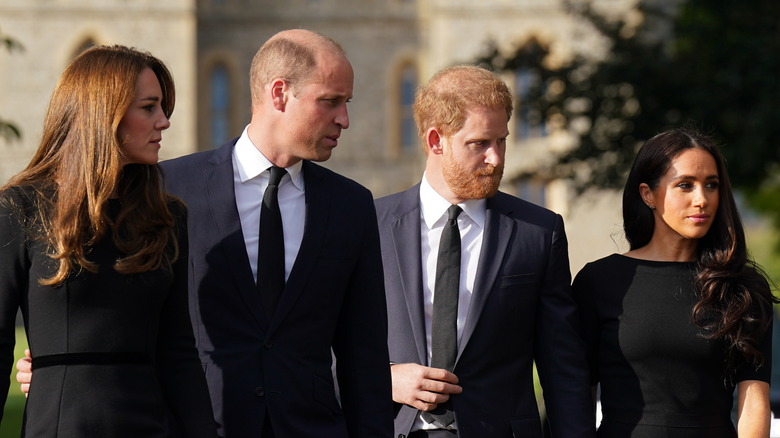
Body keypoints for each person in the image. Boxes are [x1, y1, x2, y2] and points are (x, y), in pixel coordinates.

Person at [14, 30, 394, 438]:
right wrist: (63, 359)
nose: (344, 119)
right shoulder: (165, 189)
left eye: (346, 103)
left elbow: (364, 356)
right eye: (330, 101)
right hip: (194, 423)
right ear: (280, 94)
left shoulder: (352, 205)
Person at [0, 45, 216, 436]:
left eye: (163, 108)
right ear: (105, 113)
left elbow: (178, 353)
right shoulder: (21, 207)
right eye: (149, 107)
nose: (164, 122)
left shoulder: (167, 218)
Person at [375, 65, 595, 438]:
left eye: (502, 141)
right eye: (479, 144)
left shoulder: (539, 232)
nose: (496, 159)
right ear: (435, 140)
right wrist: (382, 377)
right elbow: (320, 339)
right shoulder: (371, 224)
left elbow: (563, 367)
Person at [573, 129, 776, 437]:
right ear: (647, 194)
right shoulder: (598, 281)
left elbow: (754, 401)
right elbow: (577, 395)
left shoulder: (742, 286)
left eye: (712, 185)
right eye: (685, 185)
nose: (702, 199)